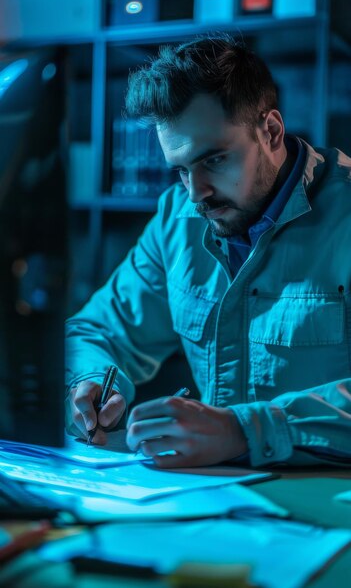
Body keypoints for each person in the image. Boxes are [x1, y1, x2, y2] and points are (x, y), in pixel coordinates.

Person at [65, 35, 351, 469]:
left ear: (271, 131)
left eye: (214, 160)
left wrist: (243, 431)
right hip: (220, 502)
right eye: (181, 169)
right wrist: (91, 382)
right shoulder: (176, 219)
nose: (196, 193)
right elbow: (96, 330)